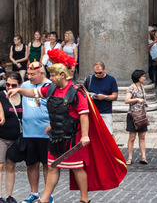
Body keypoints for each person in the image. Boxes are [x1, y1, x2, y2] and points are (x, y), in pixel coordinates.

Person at [7, 49, 127, 203]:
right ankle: (44, 199)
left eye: (52, 75)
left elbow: (84, 114)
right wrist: (18, 90)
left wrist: (85, 135)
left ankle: (84, 199)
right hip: (56, 137)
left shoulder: (77, 92)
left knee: (77, 168)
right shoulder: (52, 88)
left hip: (73, 137)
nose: (49, 78)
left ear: (61, 75)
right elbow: (35, 92)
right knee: (52, 167)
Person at [20, 62, 53, 203]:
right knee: (31, 164)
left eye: (33, 74)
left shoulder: (50, 86)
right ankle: (34, 193)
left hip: (45, 132)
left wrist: (52, 123)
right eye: (28, 74)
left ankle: (48, 195)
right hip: (29, 132)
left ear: (42, 73)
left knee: (47, 164)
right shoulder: (25, 85)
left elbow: (56, 107)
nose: (29, 77)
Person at [0, 73, 23, 203]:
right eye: (7, 84)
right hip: (1, 136)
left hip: (16, 138)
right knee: (0, 166)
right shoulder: (2, 95)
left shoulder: (23, 96)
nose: (10, 87)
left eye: (13, 85)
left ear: (19, 85)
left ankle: (9, 195)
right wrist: (1, 114)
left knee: (11, 167)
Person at [83, 61, 118, 135]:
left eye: (100, 73)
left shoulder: (111, 80)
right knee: (93, 134)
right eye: (95, 73)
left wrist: (104, 97)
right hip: (92, 110)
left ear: (104, 69)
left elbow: (115, 96)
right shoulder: (89, 79)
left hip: (106, 111)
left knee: (109, 133)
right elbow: (83, 93)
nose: (97, 75)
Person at [125, 70, 148, 165]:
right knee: (132, 137)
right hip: (133, 115)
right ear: (138, 77)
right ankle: (129, 157)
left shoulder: (142, 86)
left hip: (141, 114)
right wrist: (137, 99)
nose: (144, 78)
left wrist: (144, 103)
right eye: (143, 76)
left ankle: (143, 157)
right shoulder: (132, 87)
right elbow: (126, 100)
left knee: (142, 136)